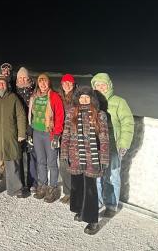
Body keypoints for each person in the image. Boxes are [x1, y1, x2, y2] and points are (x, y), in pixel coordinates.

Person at [61, 86, 109, 235]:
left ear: (92, 99)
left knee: (90, 188)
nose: (84, 100)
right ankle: (81, 210)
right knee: (77, 185)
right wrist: (64, 154)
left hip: (92, 158)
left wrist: (104, 158)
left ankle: (92, 219)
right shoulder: (71, 113)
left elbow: (104, 138)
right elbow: (66, 134)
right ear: (77, 99)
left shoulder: (99, 115)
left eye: (87, 97)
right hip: (75, 156)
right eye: (81, 97)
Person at [91, 73, 134, 217]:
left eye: (103, 85)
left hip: (113, 146)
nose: (100, 88)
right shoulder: (92, 102)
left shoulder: (119, 102)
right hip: (96, 146)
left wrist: (123, 144)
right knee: (96, 177)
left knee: (111, 176)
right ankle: (95, 203)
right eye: (97, 85)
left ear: (109, 86)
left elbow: (127, 123)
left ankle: (111, 204)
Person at [28, 73, 65, 203]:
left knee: (52, 163)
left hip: (49, 133)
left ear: (48, 83)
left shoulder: (54, 96)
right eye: (40, 82)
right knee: (41, 161)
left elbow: (60, 116)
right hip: (37, 132)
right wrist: (30, 131)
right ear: (38, 83)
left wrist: (56, 134)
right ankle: (42, 186)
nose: (42, 84)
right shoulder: (35, 96)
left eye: (45, 82)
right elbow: (31, 114)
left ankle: (53, 188)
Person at [14, 67, 37, 192]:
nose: (22, 80)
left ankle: (32, 182)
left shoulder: (35, 90)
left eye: (24, 77)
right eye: (20, 78)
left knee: (32, 154)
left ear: (28, 78)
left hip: (32, 126)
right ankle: (21, 182)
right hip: (17, 128)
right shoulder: (13, 91)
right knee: (19, 156)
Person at [58, 73, 77, 204]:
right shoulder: (59, 97)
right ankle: (67, 192)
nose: (67, 85)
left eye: (69, 82)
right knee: (64, 164)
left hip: (74, 135)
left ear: (73, 84)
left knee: (75, 164)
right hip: (62, 135)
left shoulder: (78, 97)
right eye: (65, 82)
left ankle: (76, 193)